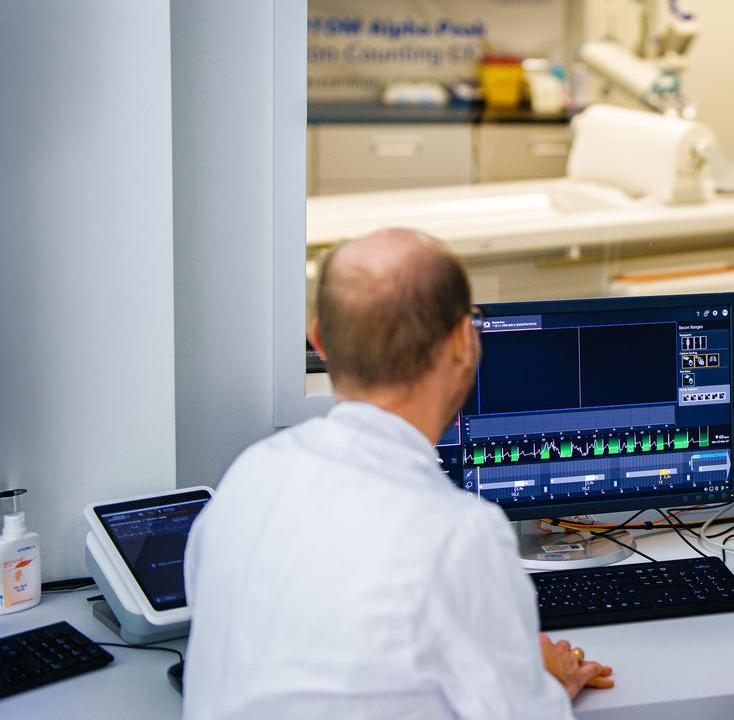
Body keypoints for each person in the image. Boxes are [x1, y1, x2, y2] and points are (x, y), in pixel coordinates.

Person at [183, 228, 613, 719]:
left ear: (318, 338)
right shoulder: (459, 535)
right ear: (462, 342)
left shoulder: (248, 478)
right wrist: (546, 684)